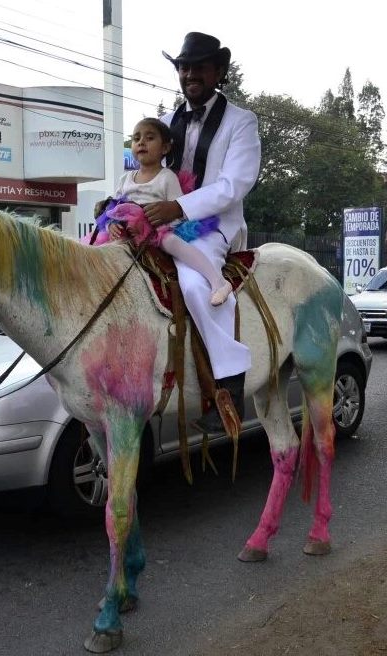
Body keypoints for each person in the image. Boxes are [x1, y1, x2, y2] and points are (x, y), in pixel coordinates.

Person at [144, 32, 262, 432]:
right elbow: (146, 170)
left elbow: (234, 184)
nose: (190, 73)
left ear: (219, 71)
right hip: (163, 221)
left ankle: (228, 387)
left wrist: (180, 206)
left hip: (214, 226)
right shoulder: (163, 123)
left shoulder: (241, 122)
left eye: (199, 66)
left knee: (196, 286)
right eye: (184, 67)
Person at [104, 117, 233, 306]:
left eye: (149, 138)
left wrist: (156, 225)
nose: (141, 142)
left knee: (171, 242)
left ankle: (217, 281)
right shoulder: (125, 179)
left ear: (165, 148)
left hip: (157, 231)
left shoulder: (166, 177)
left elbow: (178, 210)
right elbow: (114, 207)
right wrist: (112, 224)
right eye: (136, 138)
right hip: (128, 232)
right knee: (104, 251)